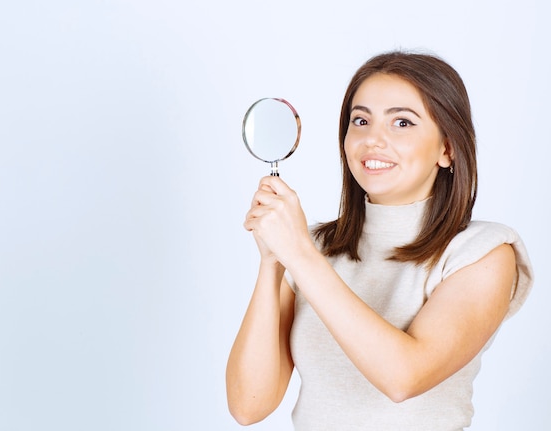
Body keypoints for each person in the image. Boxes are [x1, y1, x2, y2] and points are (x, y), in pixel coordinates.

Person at [226, 51, 533, 431]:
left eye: (402, 122)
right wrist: (273, 261)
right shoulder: (313, 247)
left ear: (447, 149)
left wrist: (301, 256)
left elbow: (403, 378)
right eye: (361, 120)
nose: (373, 140)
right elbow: (248, 406)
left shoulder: (483, 252)